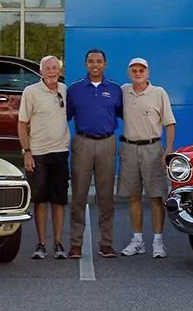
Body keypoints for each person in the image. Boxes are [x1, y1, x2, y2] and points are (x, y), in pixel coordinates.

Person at [67, 49, 123, 259]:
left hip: (107, 143)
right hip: (82, 143)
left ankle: (106, 243)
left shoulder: (116, 90)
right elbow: (65, 116)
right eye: (91, 61)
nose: (95, 65)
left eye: (99, 61)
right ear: (85, 64)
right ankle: (75, 243)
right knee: (79, 196)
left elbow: (123, 114)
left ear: (105, 64)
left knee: (106, 197)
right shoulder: (74, 90)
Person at [118, 57, 176, 258]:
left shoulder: (159, 93)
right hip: (129, 148)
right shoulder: (124, 91)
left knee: (155, 197)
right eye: (133, 70)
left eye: (141, 70)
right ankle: (137, 241)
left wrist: (168, 150)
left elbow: (169, 123)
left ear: (148, 73)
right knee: (134, 196)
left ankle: (158, 242)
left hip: (153, 149)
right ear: (129, 73)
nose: (137, 73)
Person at [18, 55, 70, 260]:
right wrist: (26, 151)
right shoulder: (30, 92)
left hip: (60, 153)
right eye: (48, 68)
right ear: (41, 71)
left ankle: (58, 243)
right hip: (38, 154)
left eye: (55, 68)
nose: (52, 71)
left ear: (59, 70)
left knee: (59, 201)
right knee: (40, 201)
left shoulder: (65, 90)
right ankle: (41, 244)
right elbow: (22, 123)